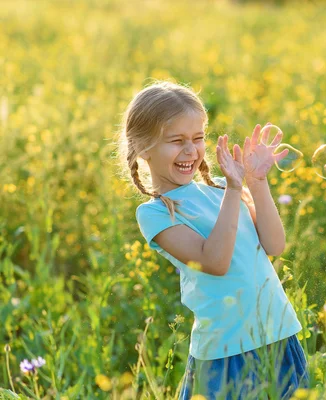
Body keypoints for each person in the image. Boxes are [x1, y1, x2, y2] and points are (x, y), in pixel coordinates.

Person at [119, 81, 307, 399]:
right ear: (142, 147)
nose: (191, 151)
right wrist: (235, 190)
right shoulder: (157, 214)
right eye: (176, 141)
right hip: (227, 351)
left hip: (279, 333)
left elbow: (275, 245)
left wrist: (256, 182)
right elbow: (215, 262)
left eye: (198, 138)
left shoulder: (221, 186)